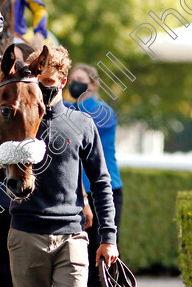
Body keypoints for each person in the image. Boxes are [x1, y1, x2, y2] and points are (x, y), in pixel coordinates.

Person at [0, 46, 118, 287]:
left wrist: (109, 237)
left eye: (49, 81)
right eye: (38, 81)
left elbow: (101, 182)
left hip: (71, 237)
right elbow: (2, 173)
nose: (42, 87)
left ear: (63, 81)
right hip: (25, 234)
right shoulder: (18, 123)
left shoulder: (82, 124)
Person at [66, 63, 123, 287]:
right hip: (79, 193)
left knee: (103, 257)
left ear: (94, 84)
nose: (74, 84)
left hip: (106, 191)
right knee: (81, 257)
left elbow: (83, 123)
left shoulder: (104, 112)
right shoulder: (69, 109)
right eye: (71, 79)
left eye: (80, 80)